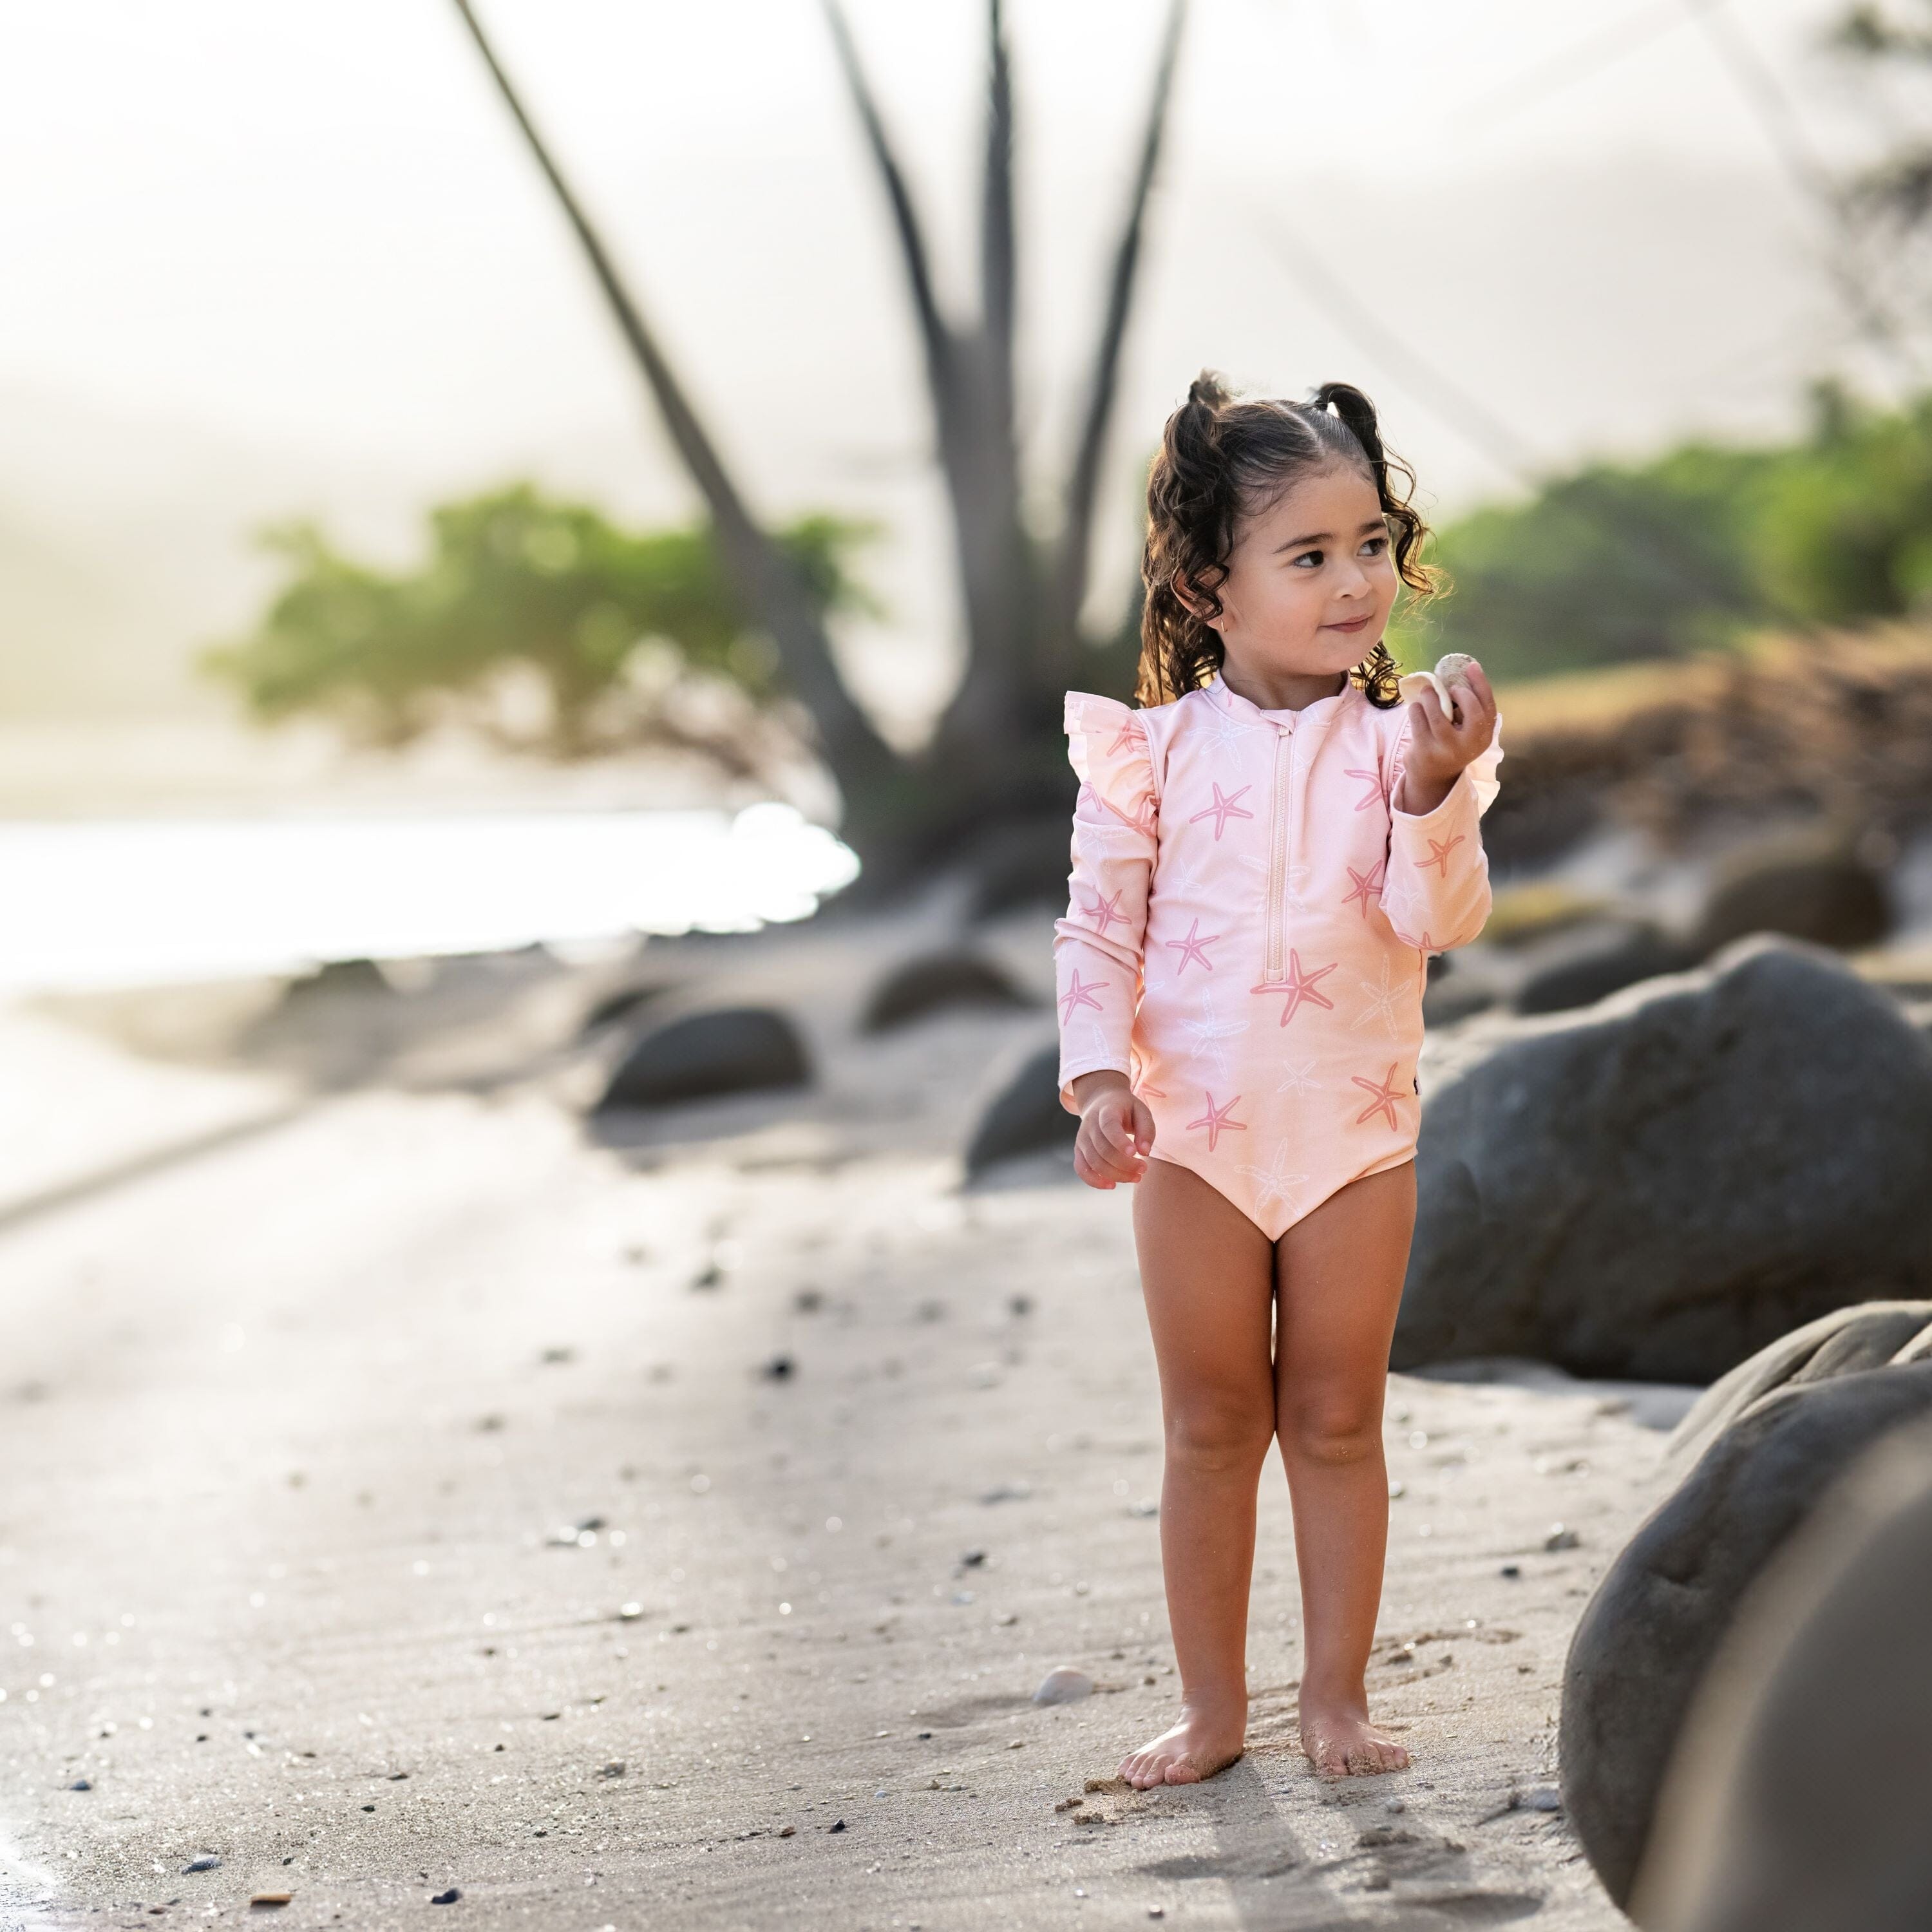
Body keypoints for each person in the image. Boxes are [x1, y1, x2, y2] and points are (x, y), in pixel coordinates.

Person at [1053, 371, 1504, 1786]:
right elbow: (1099, 923)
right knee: (1208, 1423)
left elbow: (1442, 923)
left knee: (1333, 1415)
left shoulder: (1403, 748)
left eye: (1370, 543)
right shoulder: (1149, 753)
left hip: (1353, 1137)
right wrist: (1097, 1079)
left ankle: (1334, 1697)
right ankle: (1211, 1709)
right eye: (1308, 556)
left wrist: (1436, 794)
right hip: (1191, 1137)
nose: (1355, 580)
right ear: (1207, 586)